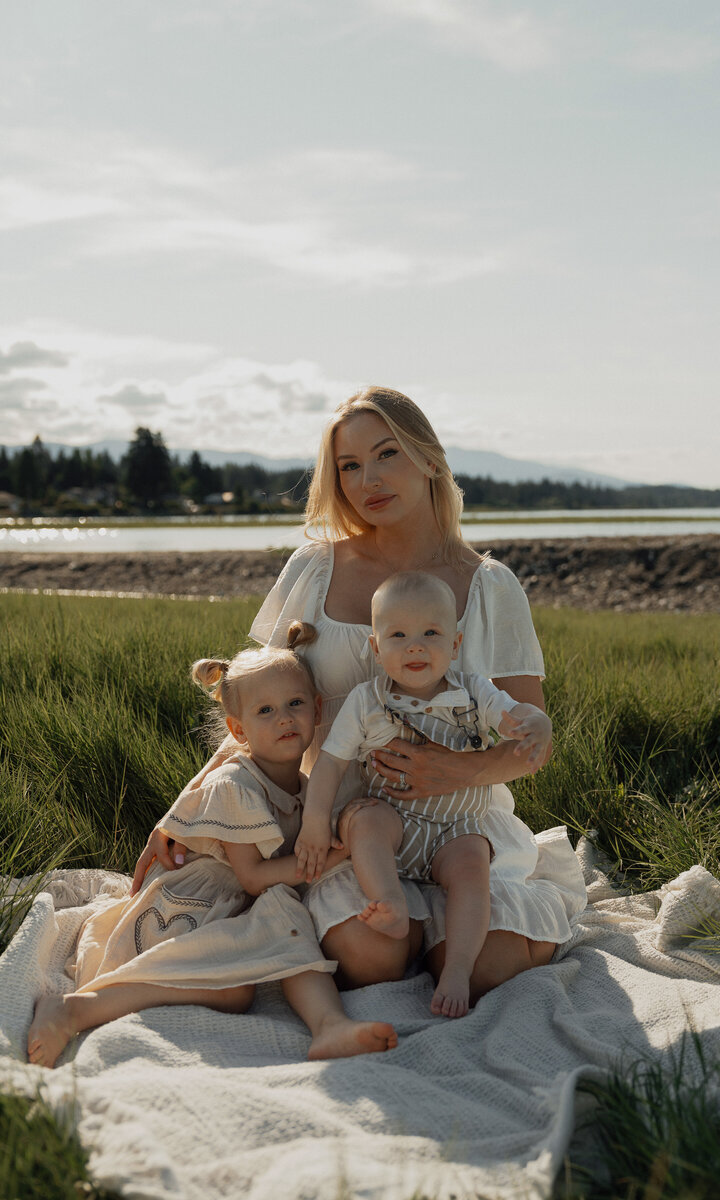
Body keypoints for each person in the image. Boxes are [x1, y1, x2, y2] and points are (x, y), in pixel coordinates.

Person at [132, 386, 586, 1008]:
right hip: (342, 829)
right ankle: (401, 931)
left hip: (461, 826)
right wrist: (187, 807)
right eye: (349, 465)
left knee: (488, 965)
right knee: (371, 958)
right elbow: (259, 705)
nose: (367, 479)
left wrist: (459, 769)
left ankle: (450, 941)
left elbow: (534, 742)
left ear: (428, 459)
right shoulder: (314, 569)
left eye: (387, 454)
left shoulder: (490, 586)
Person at [27, 630, 398, 1069]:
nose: (284, 719)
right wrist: (337, 854)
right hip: (194, 900)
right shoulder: (235, 784)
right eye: (265, 711)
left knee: (282, 919)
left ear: (317, 710)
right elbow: (254, 877)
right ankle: (75, 1009)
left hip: (238, 903)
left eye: (295, 704)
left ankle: (329, 1025)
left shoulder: (305, 787)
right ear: (238, 730)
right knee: (234, 988)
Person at [295, 570, 553, 1018]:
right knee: (364, 820)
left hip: (455, 829)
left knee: (473, 864)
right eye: (398, 635)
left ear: (454, 644)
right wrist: (315, 821)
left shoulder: (474, 691)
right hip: (394, 822)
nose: (415, 646)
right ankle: (391, 901)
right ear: (376, 648)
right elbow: (331, 763)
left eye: (431, 633)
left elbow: (516, 717)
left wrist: (538, 723)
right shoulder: (367, 700)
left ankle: (458, 968)